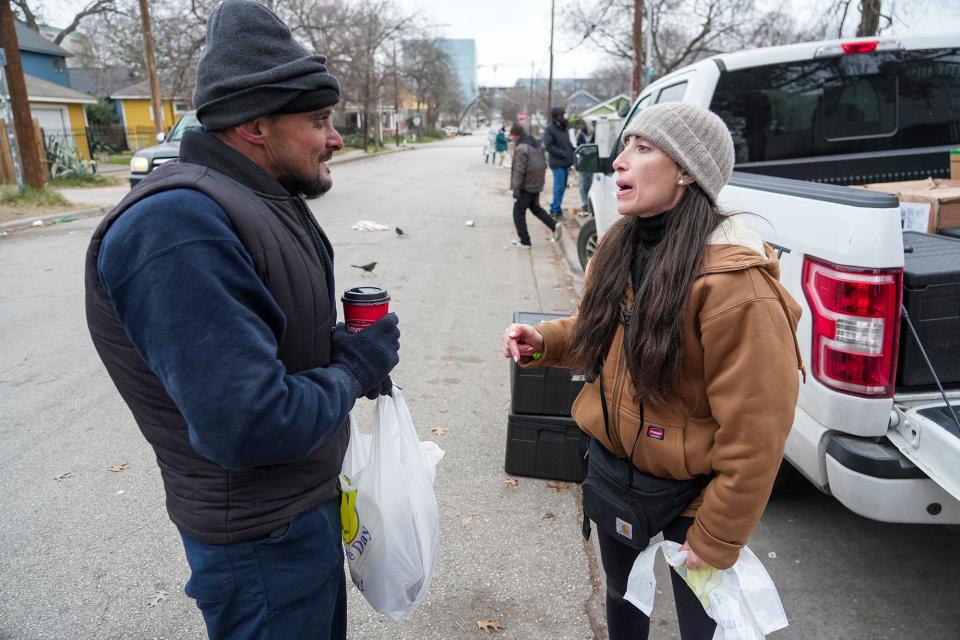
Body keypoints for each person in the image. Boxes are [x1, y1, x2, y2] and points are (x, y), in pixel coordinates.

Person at [84, 1, 400, 638]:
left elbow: (269, 349)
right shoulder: (177, 224)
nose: (336, 137)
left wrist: (335, 349)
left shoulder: (257, 196)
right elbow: (249, 424)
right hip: (261, 543)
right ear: (255, 126)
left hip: (295, 515)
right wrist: (352, 371)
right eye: (318, 120)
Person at [502, 103, 804, 640]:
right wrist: (545, 342)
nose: (619, 161)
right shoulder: (617, 247)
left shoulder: (737, 288)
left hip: (695, 498)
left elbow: (757, 433)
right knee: (623, 611)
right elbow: (604, 336)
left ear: (688, 170)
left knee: (700, 629)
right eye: (625, 146)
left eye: (643, 149)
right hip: (615, 474)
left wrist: (718, 535)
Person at [509, 123, 561, 248]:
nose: (510, 138)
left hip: (526, 186)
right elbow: (543, 164)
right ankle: (554, 225)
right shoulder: (535, 144)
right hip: (536, 184)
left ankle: (525, 241)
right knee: (535, 208)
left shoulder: (522, 148)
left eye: (511, 135)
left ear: (516, 135)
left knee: (518, 213)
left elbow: (519, 171)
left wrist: (516, 190)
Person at [542, 106, 576, 218]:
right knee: (559, 187)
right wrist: (563, 153)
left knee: (561, 188)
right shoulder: (550, 129)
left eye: (564, 114)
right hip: (557, 163)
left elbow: (568, 144)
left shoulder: (564, 128)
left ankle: (555, 208)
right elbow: (548, 146)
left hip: (565, 163)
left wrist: (572, 152)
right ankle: (555, 211)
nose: (563, 117)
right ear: (556, 117)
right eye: (561, 115)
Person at [575, 119, 594, 214]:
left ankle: (591, 205)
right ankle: (584, 204)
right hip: (583, 163)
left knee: (591, 184)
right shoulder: (580, 135)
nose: (581, 126)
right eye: (580, 124)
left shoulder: (594, 134)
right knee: (583, 185)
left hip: (593, 164)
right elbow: (576, 147)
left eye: (583, 124)